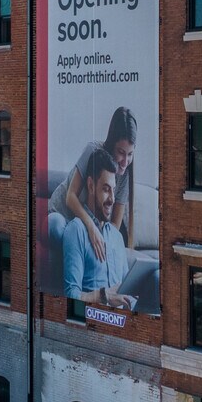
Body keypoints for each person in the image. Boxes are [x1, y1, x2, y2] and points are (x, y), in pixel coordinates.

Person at [51, 107, 137, 260]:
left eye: (130, 154)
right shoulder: (92, 150)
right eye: (121, 153)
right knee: (56, 227)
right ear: (111, 144)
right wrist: (91, 227)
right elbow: (70, 197)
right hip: (62, 215)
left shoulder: (125, 174)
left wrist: (106, 244)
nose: (125, 162)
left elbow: (114, 228)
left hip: (84, 228)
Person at [62, 150, 135, 309]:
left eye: (113, 190)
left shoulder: (117, 237)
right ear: (91, 186)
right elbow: (71, 295)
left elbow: (127, 291)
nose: (112, 199)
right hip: (94, 322)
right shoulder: (76, 231)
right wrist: (104, 296)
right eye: (106, 189)